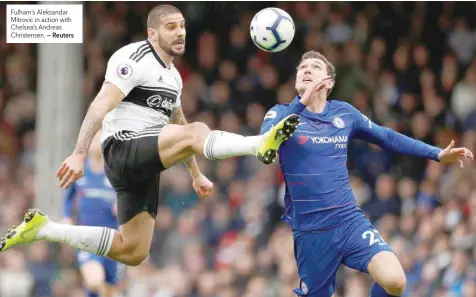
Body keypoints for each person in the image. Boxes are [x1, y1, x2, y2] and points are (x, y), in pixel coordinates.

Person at [0, 4, 300, 266]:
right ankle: (259, 144)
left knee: (133, 250)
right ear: (152, 34)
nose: (180, 33)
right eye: (171, 27)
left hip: (142, 164)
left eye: (182, 26)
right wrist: (79, 153)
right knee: (196, 131)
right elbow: (100, 104)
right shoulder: (134, 57)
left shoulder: (172, 76)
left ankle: (43, 230)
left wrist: (195, 174)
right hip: (123, 147)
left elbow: (179, 123)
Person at [260, 50, 474, 297]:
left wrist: (436, 154)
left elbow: (387, 137)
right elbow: (265, 144)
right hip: (311, 231)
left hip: (349, 220)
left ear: (329, 82)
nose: (306, 69)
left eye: (315, 67)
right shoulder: (280, 112)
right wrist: (301, 102)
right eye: (303, 67)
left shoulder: (344, 113)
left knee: (394, 281)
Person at [62, 131, 124, 297]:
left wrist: (124, 206)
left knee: (109, 290)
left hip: (113, 240)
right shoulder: (78, 169)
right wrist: (67, 218)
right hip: (87, 238)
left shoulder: (117, 172)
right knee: (95, 280)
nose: (98, 142)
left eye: (102, 139)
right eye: (94, 138)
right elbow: (68, 198)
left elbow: (132, 197)